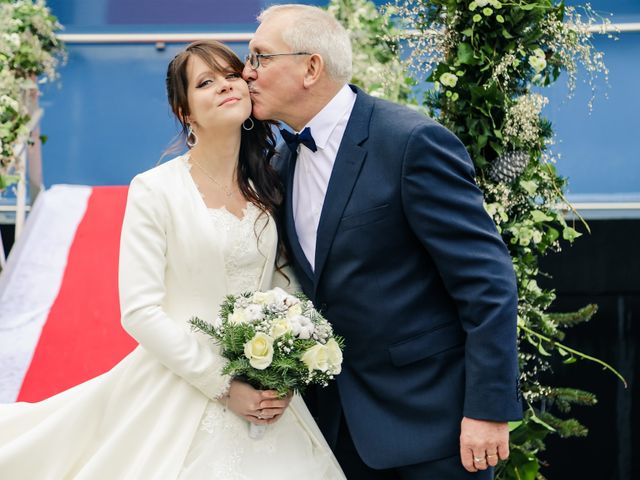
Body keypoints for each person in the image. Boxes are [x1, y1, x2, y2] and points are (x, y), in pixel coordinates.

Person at [0, 40, 345, 479]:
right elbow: (139, 310)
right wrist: (223, 386)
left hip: (265, 390)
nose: (224, 86)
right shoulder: (154, 190)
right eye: (205, 82)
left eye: (231, 75)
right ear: (186, 113)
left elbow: (282, 283)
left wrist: (284, 368)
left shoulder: (268, 185)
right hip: (185, 380)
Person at [242, 4, 523, 479]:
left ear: (311, 67)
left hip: (434, 428)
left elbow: (487, 283)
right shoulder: (283, 165)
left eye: (261, 57)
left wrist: (489, 410)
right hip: (335, 434)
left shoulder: (411, 142)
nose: (247, 72)